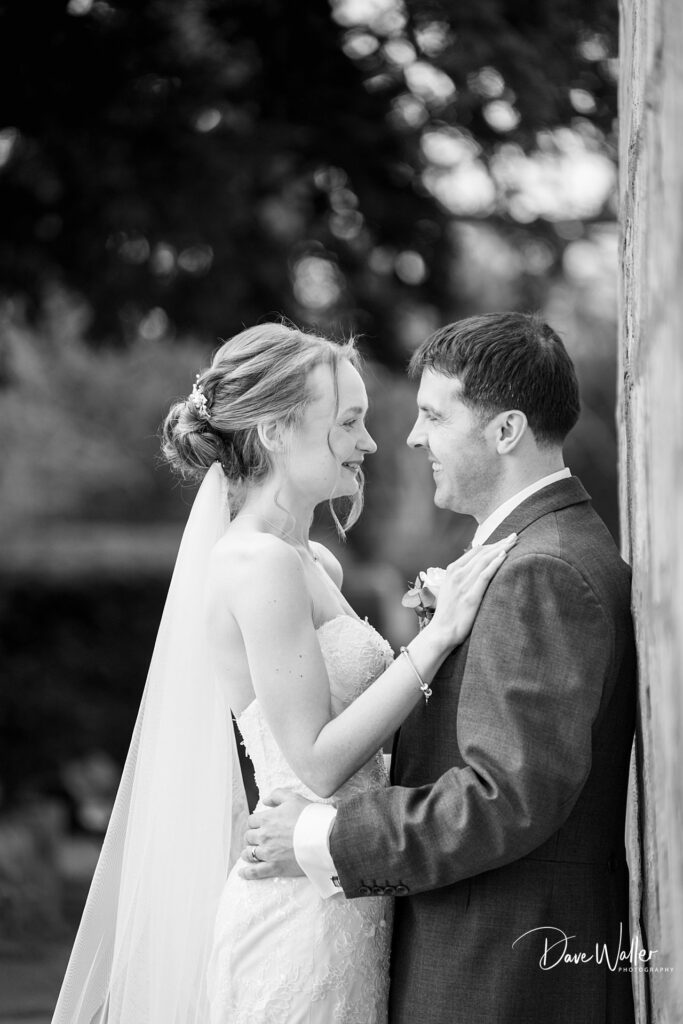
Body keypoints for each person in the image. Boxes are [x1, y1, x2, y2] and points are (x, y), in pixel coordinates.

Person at [50, 322, 514, 1024]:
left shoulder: (313, 562)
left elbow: (364, 743)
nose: (369, 443)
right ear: (274, 432)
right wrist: (439, 636)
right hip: (298, 920)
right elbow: (318, 764)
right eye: (348, 422)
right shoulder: (256, 563)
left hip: (347, 891)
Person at [241, 313, 638, 1024]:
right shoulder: (535, 549)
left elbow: (503, 799)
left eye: (433, 415)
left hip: (503, 974)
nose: (412, 438)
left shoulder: (542, 570)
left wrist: (322, 836)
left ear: (506, 430)